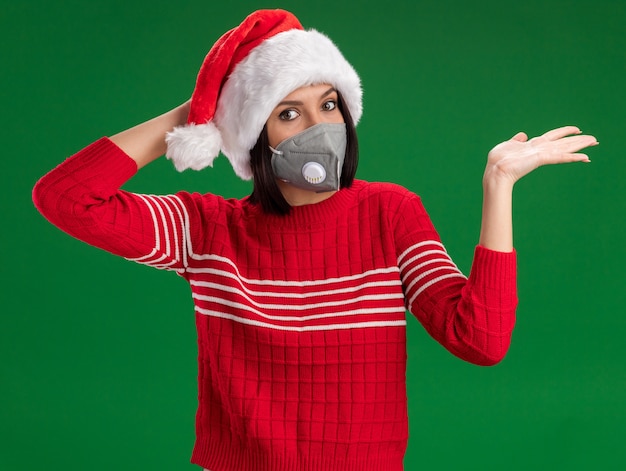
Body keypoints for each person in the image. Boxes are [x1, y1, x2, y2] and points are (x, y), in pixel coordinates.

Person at [32, 9, 597, 471]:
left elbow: (480, 339)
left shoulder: (390, 213)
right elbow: (65, 198)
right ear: (254, 135)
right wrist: (200, 111)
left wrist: (498, 185)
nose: (317, 127)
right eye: (287, 113)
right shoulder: (207, 229)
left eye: (328, 105)